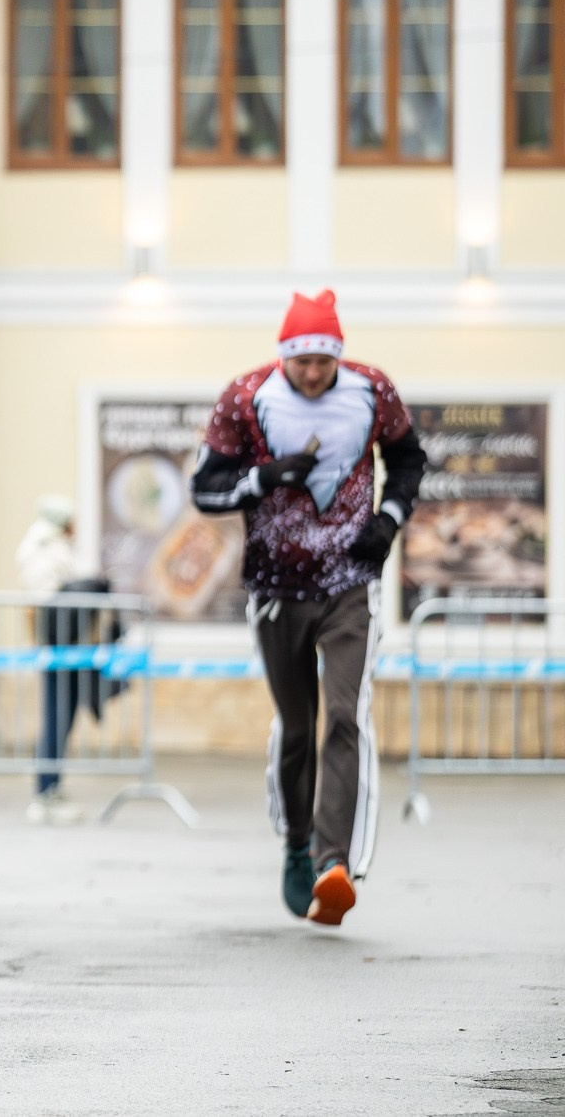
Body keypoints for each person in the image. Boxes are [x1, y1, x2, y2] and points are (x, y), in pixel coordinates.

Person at [192, 289, 424, 927]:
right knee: (298, 729)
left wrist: (388, 519)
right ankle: (297, 845)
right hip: (275, 589)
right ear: (284, 357)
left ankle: (333, 862)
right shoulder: (247, 397)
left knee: (344, 715)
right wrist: (264, 479)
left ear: (339, 356)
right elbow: (205, 490)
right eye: (303, 363)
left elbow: (409, 460)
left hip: (350, 583)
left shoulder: (372, 390)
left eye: (325, 361)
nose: (315, 373)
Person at [14, 495, 113, 825]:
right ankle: (46, 792)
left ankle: (51, 789)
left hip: (61, 647)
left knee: (61, 717)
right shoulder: (46, 548)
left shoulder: (40, 545)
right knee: (57, 718)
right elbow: (37, 604)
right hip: (59, 646)